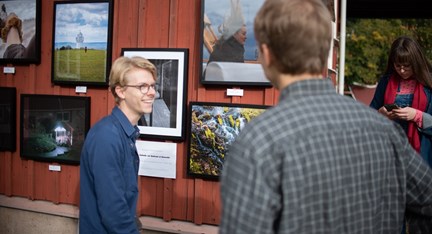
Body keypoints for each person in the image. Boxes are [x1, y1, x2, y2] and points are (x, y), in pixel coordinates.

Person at [219, 0, 432, 233]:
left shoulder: (258, 141)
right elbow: (427, 199)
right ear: (324, 51)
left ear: (267, 54)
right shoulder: (385, 131)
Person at [79, 56, 157, 233]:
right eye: (142, 86)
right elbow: (113, 211)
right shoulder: (107, 136)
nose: (151, 92)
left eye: (152, 86)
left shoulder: (125, 133)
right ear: (120, 91)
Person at [370, 36, 432, 167]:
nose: (402, 70)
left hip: (423, 154)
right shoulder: (385, 82)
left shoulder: (429, 85)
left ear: (416, 62)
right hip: (391, 152)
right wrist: (380, 114)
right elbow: (370, 115)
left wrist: (416, 116)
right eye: (398, 66)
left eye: (406, 66)